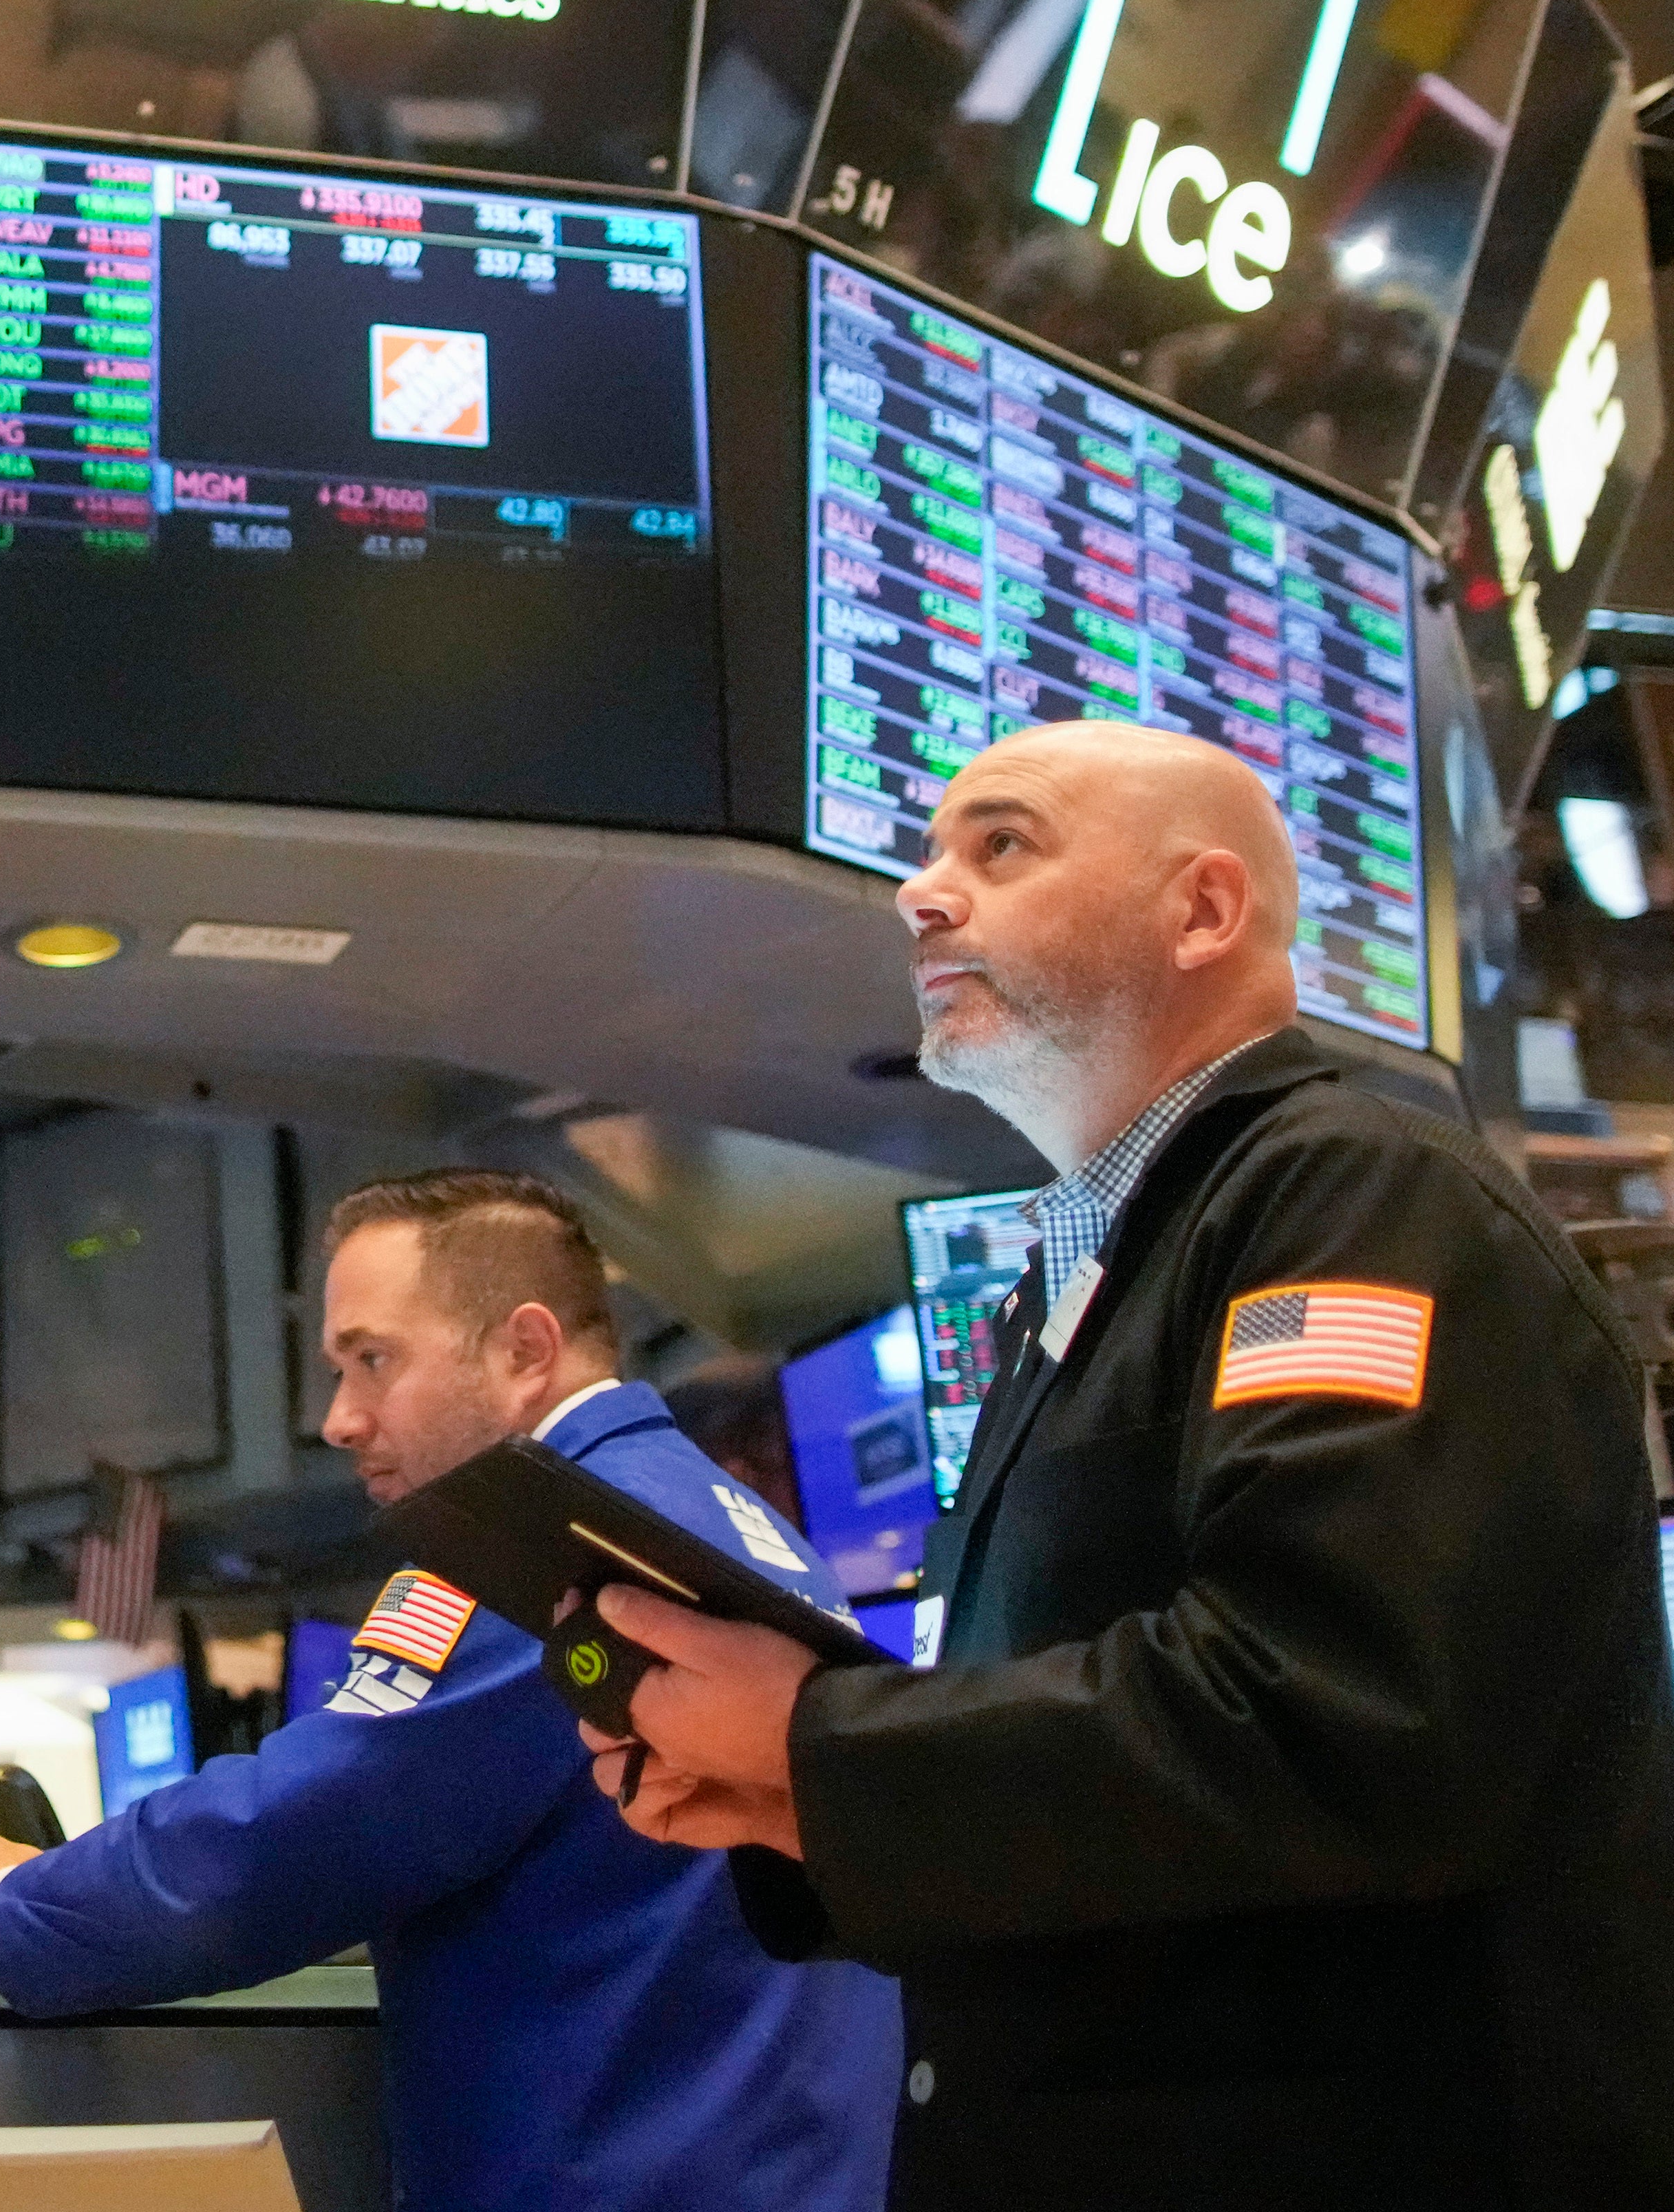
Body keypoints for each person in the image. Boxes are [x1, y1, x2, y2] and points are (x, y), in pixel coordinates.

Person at [587, 719, 1674, 2207]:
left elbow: (1336, 1716)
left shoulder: (1352, 1194)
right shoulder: (1081, 1280)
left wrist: (825, 1741)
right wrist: (799, 1801)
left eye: (1001, 844)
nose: (918, 891)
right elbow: (1131, 1821)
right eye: (929, 850)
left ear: (1204, 910)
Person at [0, 1170, 901, 2212]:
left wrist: (14, 1898)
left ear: (524, 1351)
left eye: (374, 1362)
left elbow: (295, 1833)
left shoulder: (548, 1548)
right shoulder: (726, 1518)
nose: (340, 1420)